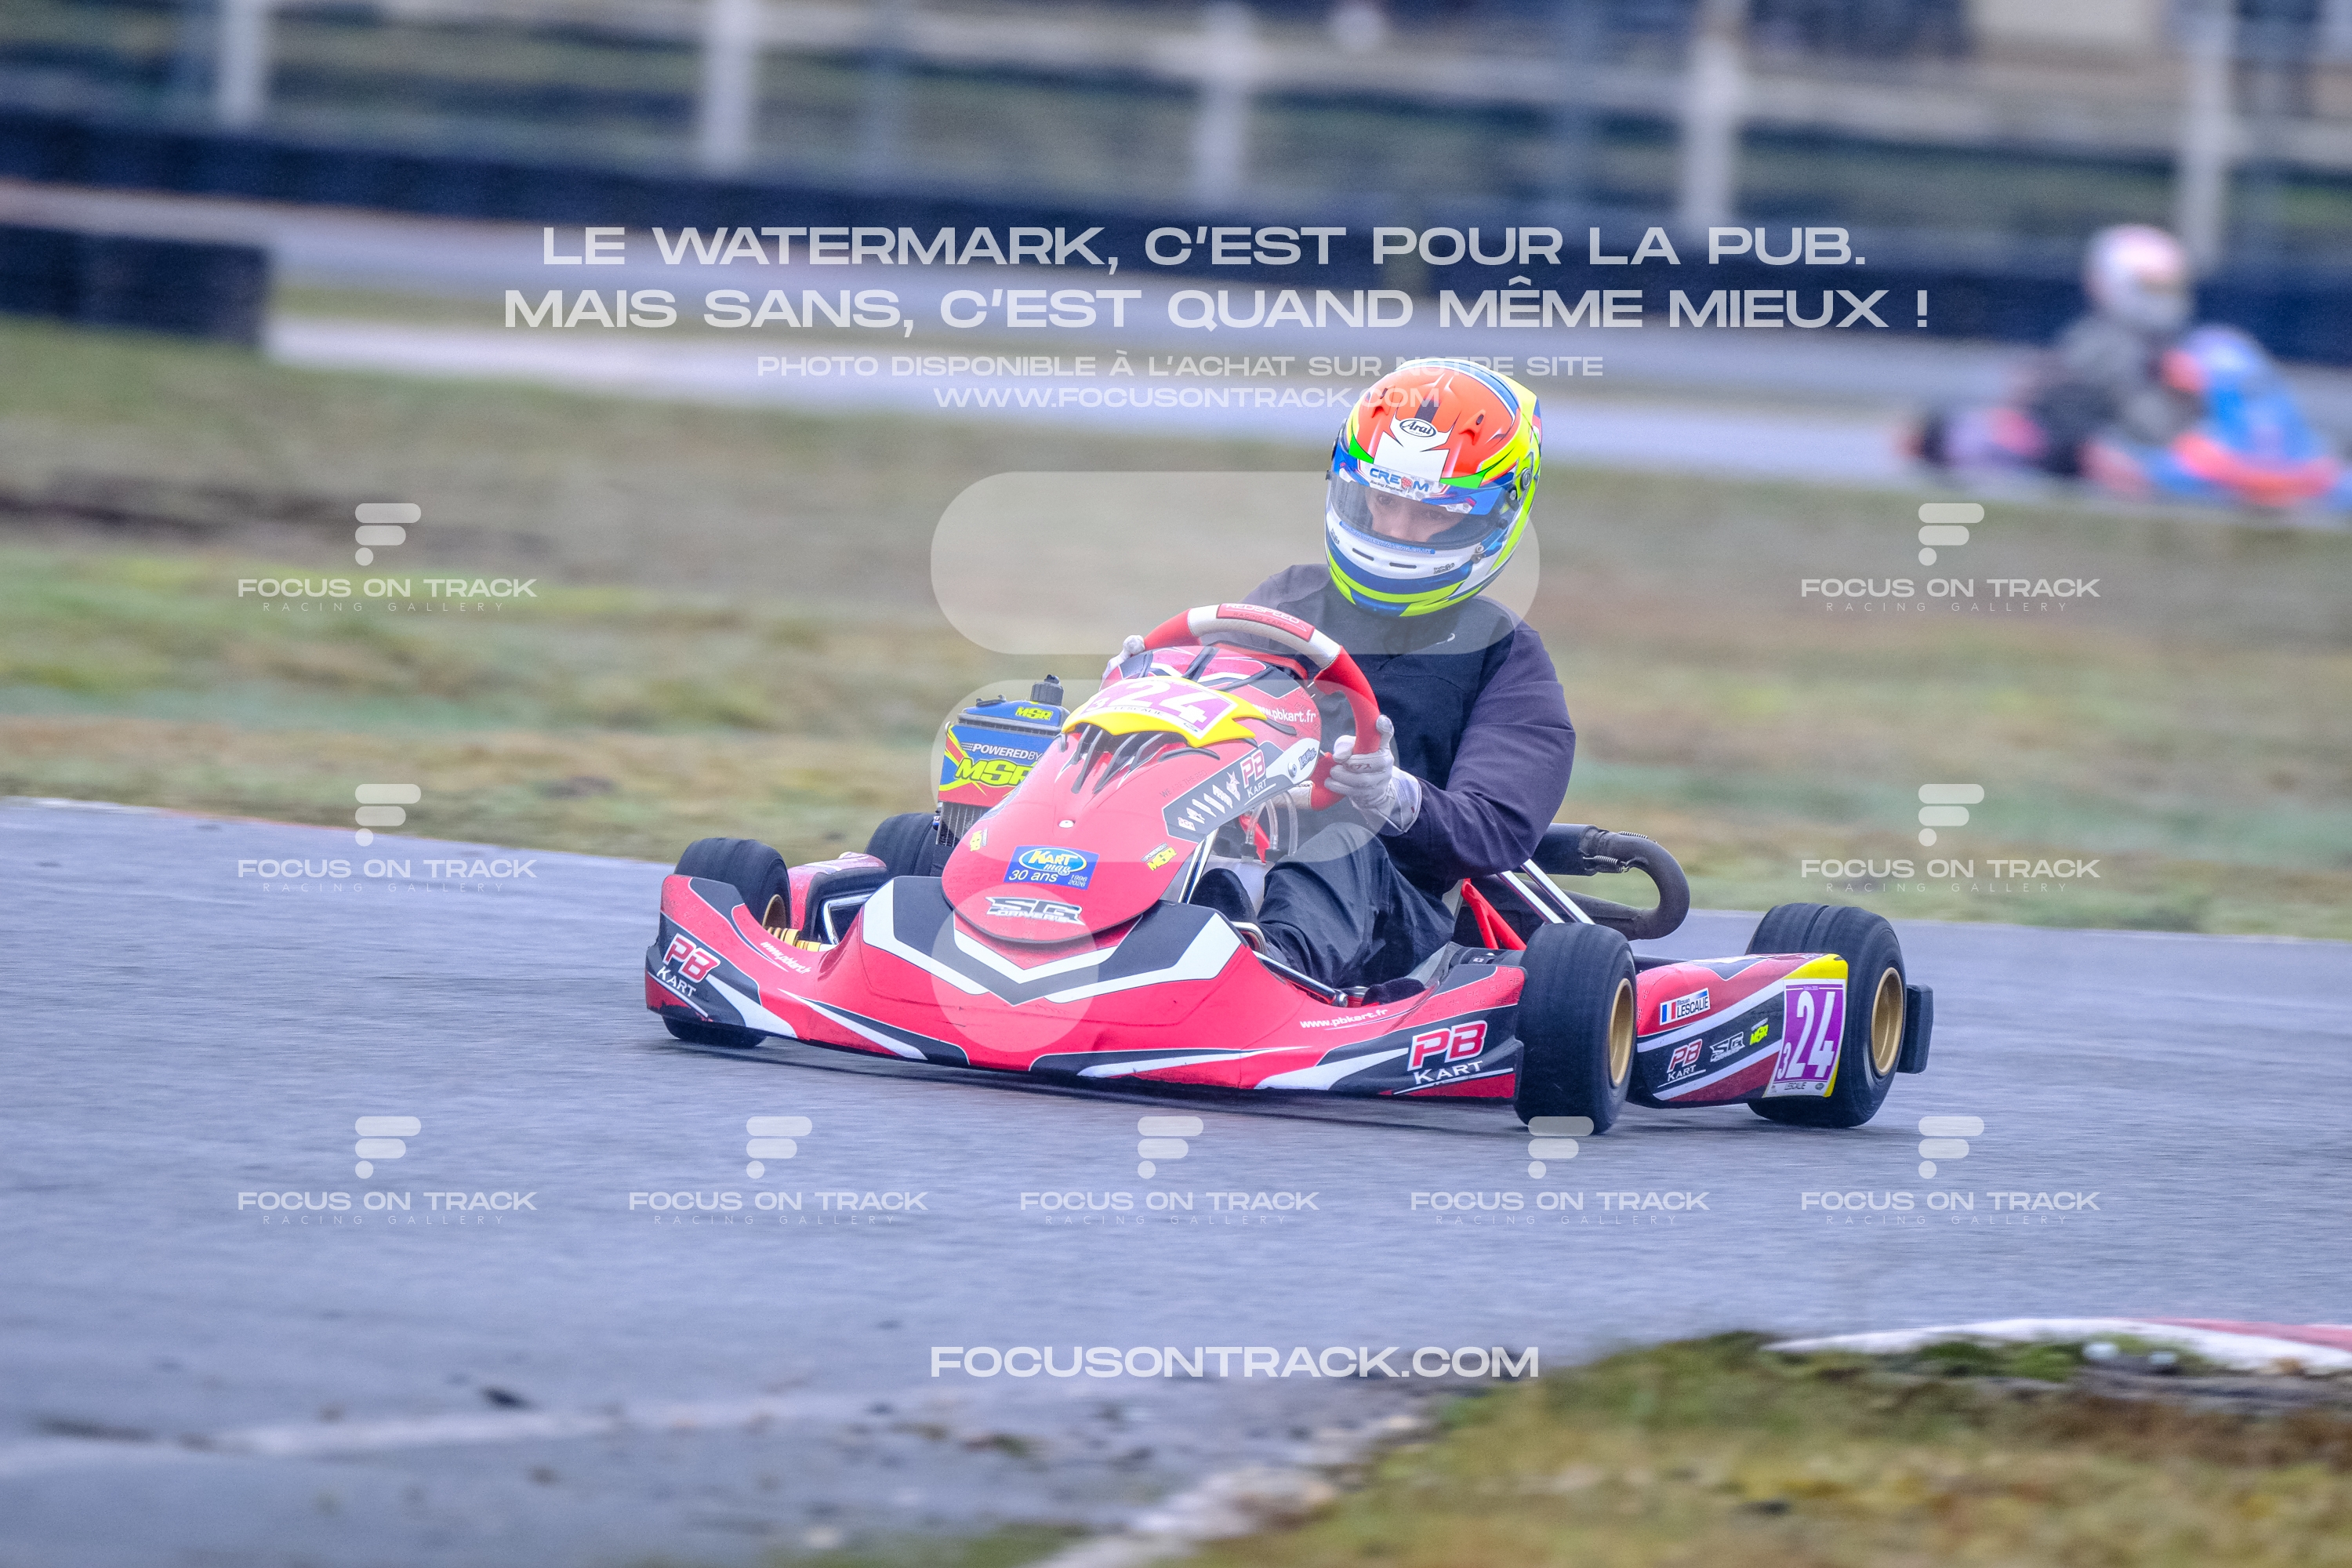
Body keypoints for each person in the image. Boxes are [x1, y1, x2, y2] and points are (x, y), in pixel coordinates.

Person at [1203, 358, 1577, 996]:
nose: (1396, 530)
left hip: (1397, 915)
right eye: (1382, 501)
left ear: (1491, 516)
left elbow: (1500, 829)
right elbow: (1211, 720)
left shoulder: (1504, 655)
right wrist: (1149, 693)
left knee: (1339, 830)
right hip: (1242, 854)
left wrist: (1393, 798)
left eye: (1435, 512)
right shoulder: (1286, 602)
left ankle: (1264, 974)